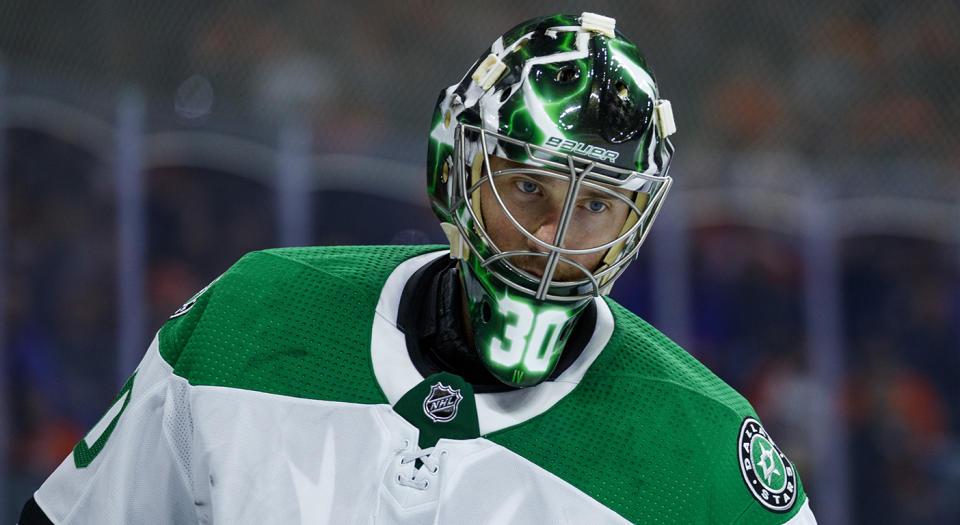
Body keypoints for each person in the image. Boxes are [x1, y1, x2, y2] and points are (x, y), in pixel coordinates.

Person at [20, 12, 816, 524]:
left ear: (633, 222)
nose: (552, 233)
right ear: (456, 169)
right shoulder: (247, 320)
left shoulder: (709, 462)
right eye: (530, 185)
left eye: (596, 204)